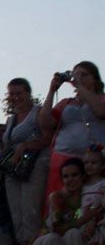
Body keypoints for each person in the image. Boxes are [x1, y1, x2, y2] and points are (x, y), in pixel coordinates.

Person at [19, 158, 102, 245]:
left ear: (83, 176)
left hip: (74, 241)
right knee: (56, 238)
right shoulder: (57, 197)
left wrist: (90, 220)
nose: (70, 180)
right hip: (51, 239)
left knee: (74, 234)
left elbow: (83, 215)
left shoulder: (86, 197)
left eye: (74, 175)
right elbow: (58, 228)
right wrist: (85, 218)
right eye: (66, 176)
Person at [38, 62, 105, 207]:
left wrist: (79, 85)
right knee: (61, 201)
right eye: (76, 74)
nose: (78, 78)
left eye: (84, 74)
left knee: (89, 200)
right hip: (64, 157)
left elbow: (100, 111)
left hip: (93, 160)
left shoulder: (101, 99)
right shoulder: (66, 103)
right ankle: (62, 225)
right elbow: (44, 121)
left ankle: (84, 224)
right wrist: (52, 90)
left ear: (95, 79)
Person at [1, 78, 51, 245]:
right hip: (13, 171)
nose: (15, 97)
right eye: (11, 94)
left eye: (19, 93)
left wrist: (26, 146)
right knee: (17, 216)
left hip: (34, 167)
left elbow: (47, 137)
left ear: (28, 93)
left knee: (31, 213)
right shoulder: (11, 120)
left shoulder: (37, 113)